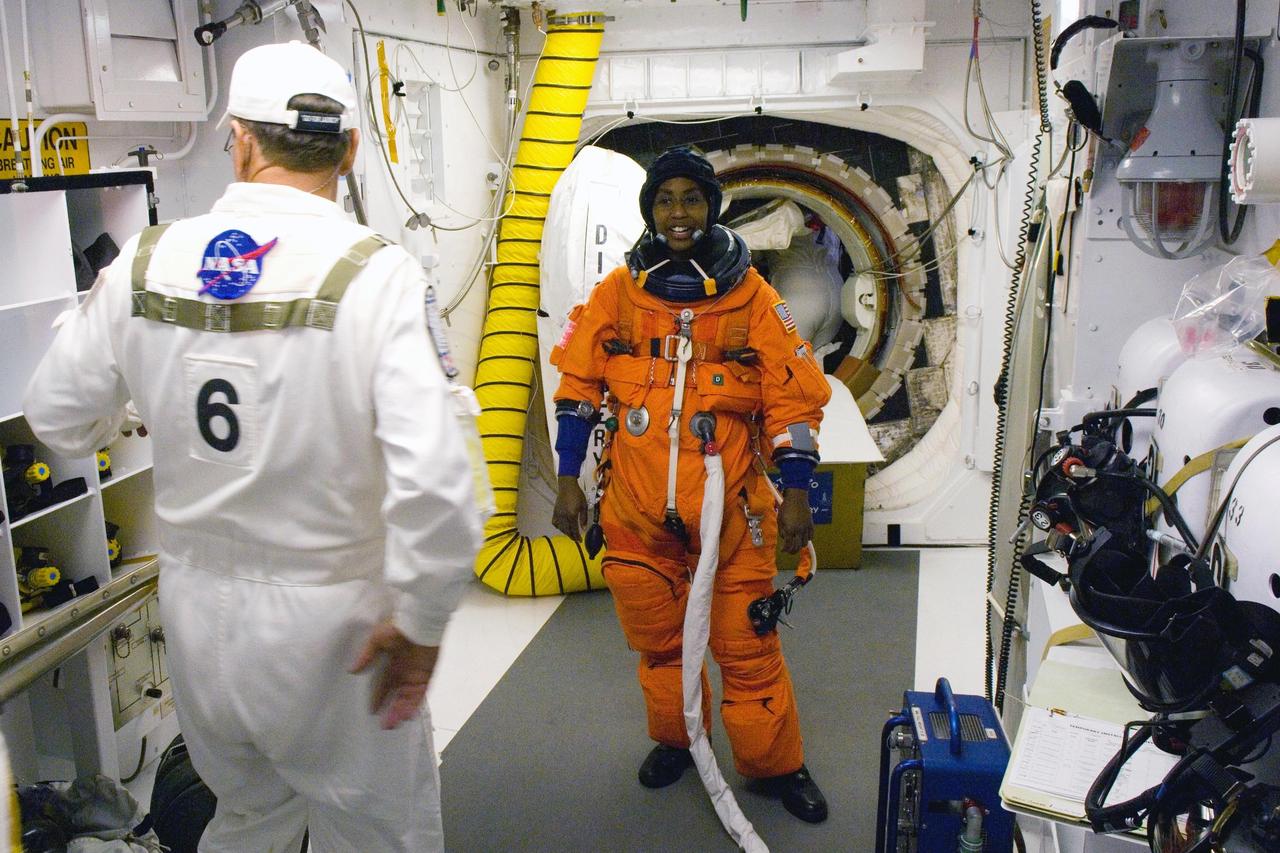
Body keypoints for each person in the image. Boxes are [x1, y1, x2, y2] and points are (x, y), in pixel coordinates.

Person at [23, 42, 482, 852]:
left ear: (239, 139)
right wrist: (421, 618)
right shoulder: (375, 276)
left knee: (247, 818)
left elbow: (56, 413)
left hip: (199, 614)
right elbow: (440, 482)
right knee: (378, 829)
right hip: (333, 623)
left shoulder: (147, 260)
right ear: (346, 149)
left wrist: (131, 401)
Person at [550, 147, 831, 823]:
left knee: (748, 648)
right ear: (651, 210)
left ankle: (775, 765)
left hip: (731, 515)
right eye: (666, 200)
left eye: (692, 199)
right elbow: (579, 383)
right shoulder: (620, 293)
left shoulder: (752, 298)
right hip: (637, 514)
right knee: (661, 646)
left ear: (712, 207)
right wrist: (567, 477)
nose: (679, 214)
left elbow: (794, 399)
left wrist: (795, 493)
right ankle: (676, 739)